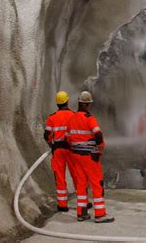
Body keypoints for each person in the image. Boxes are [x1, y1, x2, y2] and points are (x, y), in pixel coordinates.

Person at [67, 91, 114, 223]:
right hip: (89, 157)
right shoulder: (89, 118)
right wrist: (100, 147)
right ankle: (99, 214)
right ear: (87, 104)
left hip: (76, 156)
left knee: (81, 184)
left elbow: (68, 138)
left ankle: (81, 213)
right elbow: (98, 134)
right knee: (96, 183)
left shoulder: (72, 119)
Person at [44, 91, 77, 212]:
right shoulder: (74, 116)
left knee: (60, 177)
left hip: (57, 150)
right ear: (67, 101)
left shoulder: (52, 118)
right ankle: (83, 202)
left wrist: (51, 146)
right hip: (71, 150)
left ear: (57, 103)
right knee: (77, 176)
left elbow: (47, 135)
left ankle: (62, 205)